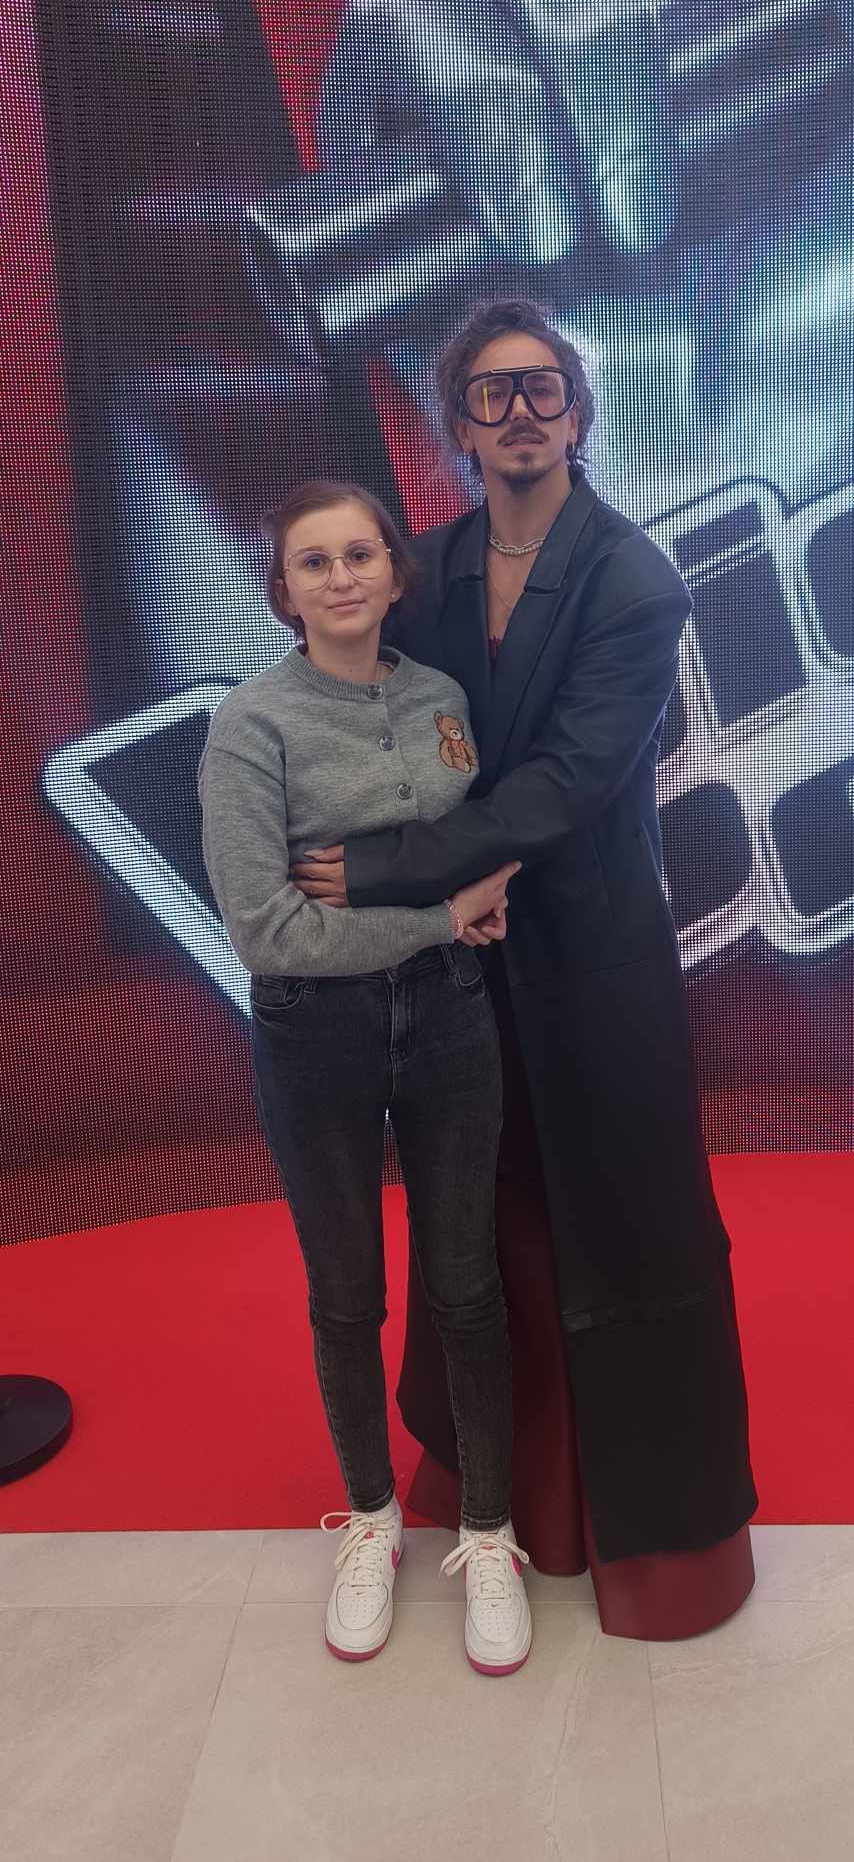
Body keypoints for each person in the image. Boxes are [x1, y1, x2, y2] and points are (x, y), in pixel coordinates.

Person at [295, 301, 759, 1640]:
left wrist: (422, 865)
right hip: (461, 955)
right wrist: (442, 865)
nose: (517, 413)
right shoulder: (428, 566)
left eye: (540, 387)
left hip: (596, 952)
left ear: (577, 409)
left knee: (626, 1216)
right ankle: (496, 1506)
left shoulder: (633, 577)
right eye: (490, 393)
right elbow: (400, 725)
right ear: (456, 421)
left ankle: (655, 1545)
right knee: (474, 1222)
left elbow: (576, 773)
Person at [198, 477, 533, 1674]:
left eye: (359, 555)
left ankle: (488, 1533)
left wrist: (455, 903)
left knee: (467, 1286)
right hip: (315, 1033)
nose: (341, 577)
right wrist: (442, 915)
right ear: (283, 591)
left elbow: (479, 846)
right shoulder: (250, 725)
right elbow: (269, 931)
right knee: (346, 1296)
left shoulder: (444, 699)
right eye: (314, 561)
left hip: (449, 1019)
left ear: (396, 574)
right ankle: (373, 1520)